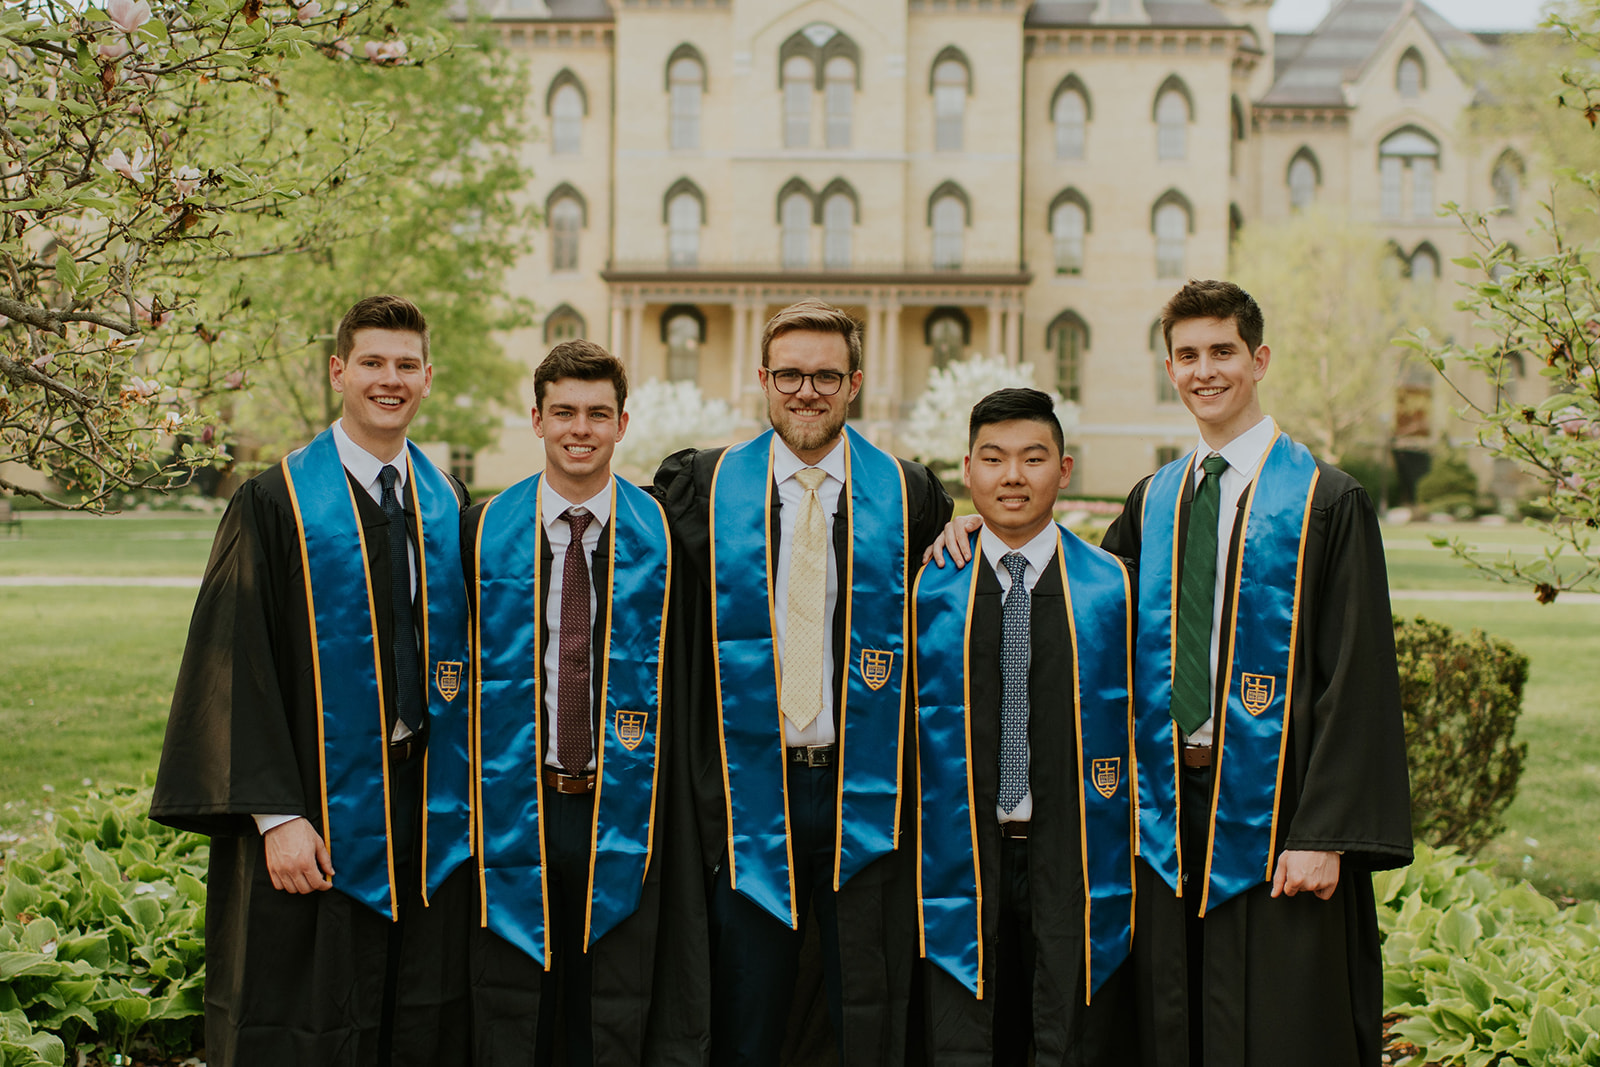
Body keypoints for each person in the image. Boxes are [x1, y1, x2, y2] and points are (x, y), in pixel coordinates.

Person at [150, 295, 474, 1066]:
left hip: (426, 818)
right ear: (339, 371)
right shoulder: (274, 503)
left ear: (427, 378)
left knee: (416, 1018)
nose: (388, 380)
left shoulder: (448, 503)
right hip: (314, 815)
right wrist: (274, 815)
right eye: (372, 363)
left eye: (405, 365)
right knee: (305, 1020)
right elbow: (232, 662)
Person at [653, 300, 953, 1066]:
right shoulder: (703, 486)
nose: (806, 391)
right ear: (762, 378)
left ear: (855, 381)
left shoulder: (909, 493)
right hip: (747, 791)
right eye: (789, 374)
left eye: (825, 375)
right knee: (745, 1010)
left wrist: (972, 525)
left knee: (865, 1006)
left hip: (868, 792)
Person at [440, 340, 694, 1065]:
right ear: (536, 418)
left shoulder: (669, 537)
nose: (580, 428)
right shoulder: (481, 531)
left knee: (612, 997)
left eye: (597, 413)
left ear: (622, 423)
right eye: (564, 413)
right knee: (518, 997)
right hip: (514, 799)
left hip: (629, 798)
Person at [913, 389, 1135, 1066]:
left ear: (1063, 470)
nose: (1013, 475)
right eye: (995, 458)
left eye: (1033, 458)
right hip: (955, 856)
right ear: (967, 469)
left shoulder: (1115, 589)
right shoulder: (925, 590)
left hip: (1073, 854)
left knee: (1066, 1034)